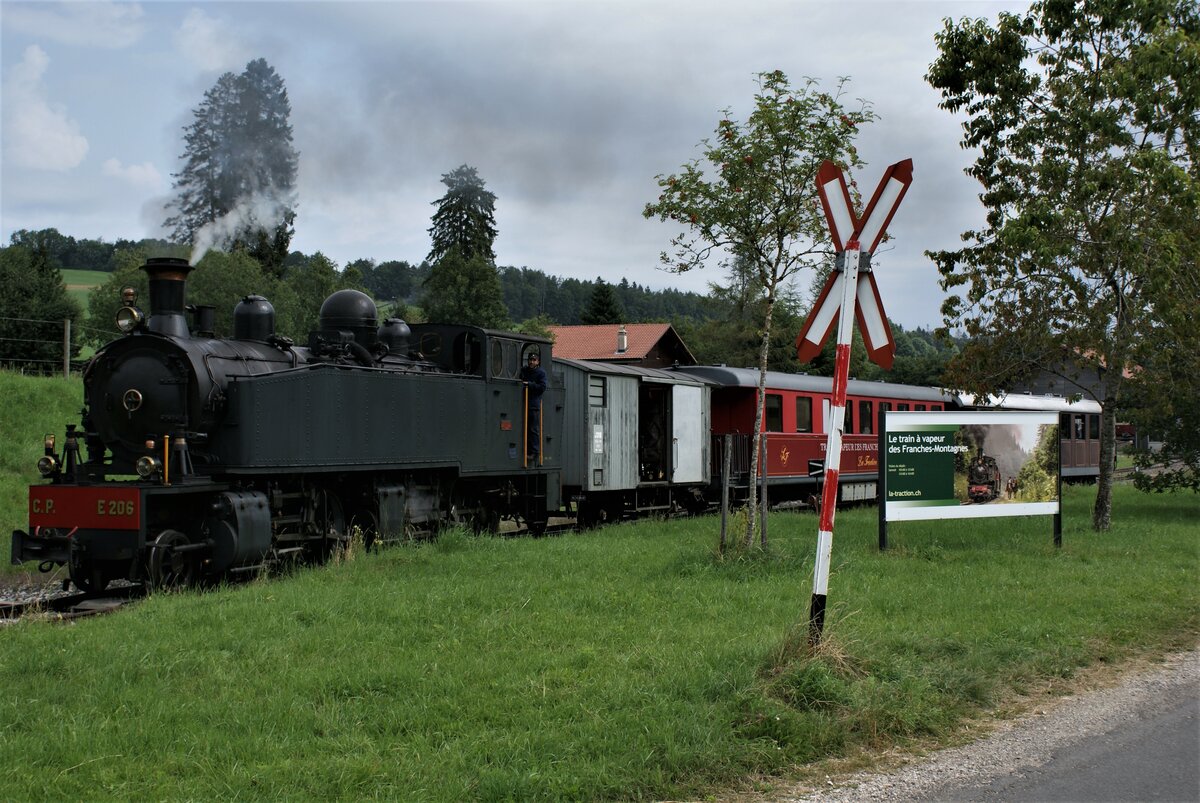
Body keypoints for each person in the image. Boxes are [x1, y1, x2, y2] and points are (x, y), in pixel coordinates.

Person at [520, 351, 548, 461]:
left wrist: (529, 384)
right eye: (530, 360)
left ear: (538, 362)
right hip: (523, 402)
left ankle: (535, 452)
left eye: (534, 360)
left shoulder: (541, 373)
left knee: (533, 429)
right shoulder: (524, 370)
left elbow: (542, 387)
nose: (531, 362)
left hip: (533, 404)